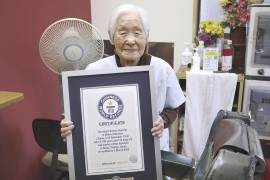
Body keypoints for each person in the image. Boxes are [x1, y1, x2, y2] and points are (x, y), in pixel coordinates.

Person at [60, 4, 185, 151]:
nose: (131, 40)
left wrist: (163, 120)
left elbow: (173, 108)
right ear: (111, 37)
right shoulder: (94, 71)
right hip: (108, 151)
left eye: (137, 33)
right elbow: (82, 115)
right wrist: (69, 127)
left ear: (147, 37)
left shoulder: (162, 69)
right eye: (123, 33)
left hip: (153, 151)